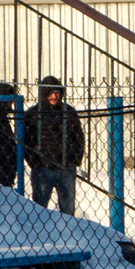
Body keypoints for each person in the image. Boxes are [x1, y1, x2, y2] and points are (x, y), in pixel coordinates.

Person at [18, 76, 86, 213]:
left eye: (58, 92)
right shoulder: (32, 115)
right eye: (51, 92)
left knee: (68, 211)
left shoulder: (68, 112)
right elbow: (26, 142)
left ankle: (67, 234)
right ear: (44, 93)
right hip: (43, 169)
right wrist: (35, 163)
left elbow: (79, 137)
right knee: (39, 210)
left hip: (65, 167)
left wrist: (74, 160)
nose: (55, 96)